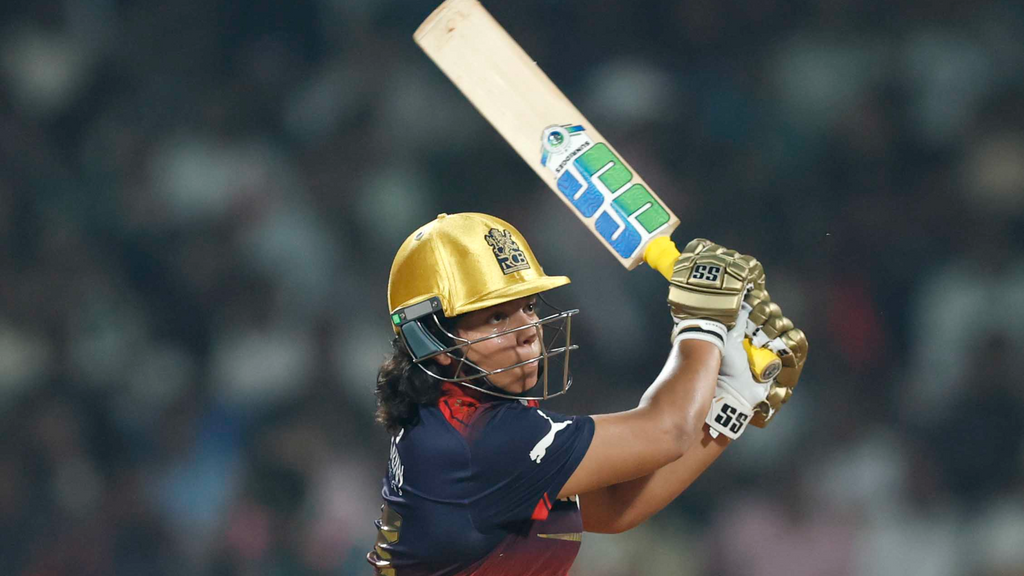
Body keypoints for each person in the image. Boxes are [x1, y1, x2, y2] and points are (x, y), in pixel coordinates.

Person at [367, 212, 807, 575]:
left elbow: (615, 507)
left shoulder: (453, 419)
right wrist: (704, 323)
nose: (528, 330)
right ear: (434, 341)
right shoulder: (482, 440)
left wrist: (731, 398)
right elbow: (668, 430)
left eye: (528, 306)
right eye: (497, 317)